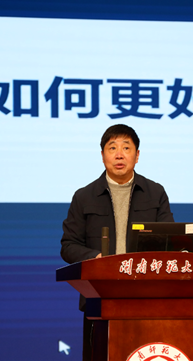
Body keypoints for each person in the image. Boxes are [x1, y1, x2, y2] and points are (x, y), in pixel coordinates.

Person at [60, 124, 174, 359]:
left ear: (137, 155)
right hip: (99, 296)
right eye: (112, 148)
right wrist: (96, 259)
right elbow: (69, 245)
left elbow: (169, 242)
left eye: (126, 148)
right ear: (102, 155)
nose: (119, 154)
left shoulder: (155, 193)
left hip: (147, 297)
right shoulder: (84, 196)